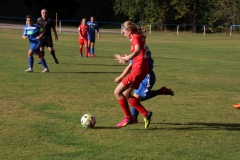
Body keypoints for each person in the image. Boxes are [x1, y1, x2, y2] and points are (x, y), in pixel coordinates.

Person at [115, 27, 174, 123]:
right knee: (129, 96)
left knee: (135, 98)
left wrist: (125, 63)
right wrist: (126, 59)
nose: (126, 36)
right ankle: (134, 117)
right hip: (141, 74)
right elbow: (133, 62)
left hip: (147, 76)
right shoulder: (140, 46)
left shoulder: (139, 46)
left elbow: (133, 63)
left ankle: (135, 117)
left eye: (125, 33)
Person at [113, 21, 152, 128]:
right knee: (125, 95)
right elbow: (138, 54)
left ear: (129, 30)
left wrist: (127, 58)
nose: (123, 34)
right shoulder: (137, 37)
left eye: (123, 31)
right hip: (139, 69)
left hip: (137, 71)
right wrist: (124, 58)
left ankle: (128, 117)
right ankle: (145, 113)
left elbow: (137, 50)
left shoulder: (135, 37)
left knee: (117, 92)